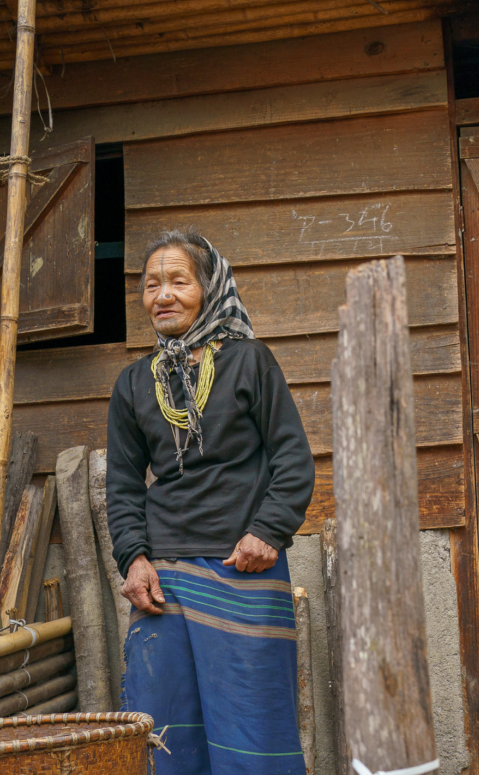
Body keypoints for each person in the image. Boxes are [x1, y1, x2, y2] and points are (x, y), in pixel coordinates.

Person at [106, 229, 314, 775]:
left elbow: (292, 461)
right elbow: (124, 485)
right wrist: (133, 559)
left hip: (242, 565)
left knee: (253, 729)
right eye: (152, 285)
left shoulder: (251, 362)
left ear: (210, 287)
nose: (163, 295)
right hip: (163, 583)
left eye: (178, 281)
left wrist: (268, 531)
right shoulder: (132, 384)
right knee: (167, 732)